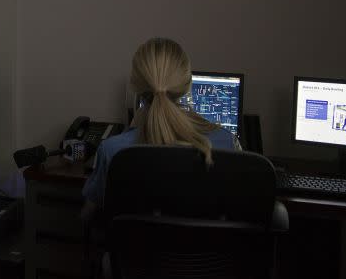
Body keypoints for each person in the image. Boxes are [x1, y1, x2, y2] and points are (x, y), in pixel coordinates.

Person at [81, 38, 239, 220]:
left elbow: (88, 216)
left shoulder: (113, 151)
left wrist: (131, 131)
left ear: (135, 87)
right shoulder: (228, 143)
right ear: (187, 85)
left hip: (137, 248)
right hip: (209, 248)